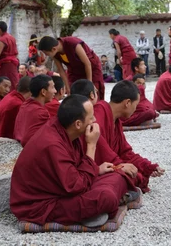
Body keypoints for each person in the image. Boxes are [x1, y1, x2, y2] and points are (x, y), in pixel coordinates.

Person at [10, 94, 131, 227]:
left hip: (65, 188)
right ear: (78, 124)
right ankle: (91, 211)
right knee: (106, 198)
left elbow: (75, 170)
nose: (95, 120)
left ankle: (97, 207)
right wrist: (91, 145)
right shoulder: (52, 144)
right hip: (40, 204)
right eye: (91, 118)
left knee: (116, 176)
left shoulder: (66, 130)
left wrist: (96, 169)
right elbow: (76, 186)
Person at [90, 81, 165, 193]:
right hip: (96, 168)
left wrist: (147, 166)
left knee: (137, 174)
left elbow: (125, 152)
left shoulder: (116, 121)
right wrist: (120, 166)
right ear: (127, 103)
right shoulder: (99, 115)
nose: (136, 109)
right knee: (130, 177)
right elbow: (100, 152)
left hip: (112, 163)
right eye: (136, 104)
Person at [38, 36, 105, 100]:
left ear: (53, 49)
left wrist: (89, 84)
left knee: (93, 92)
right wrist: (67, 87)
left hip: (91, 69)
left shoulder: (73, 44)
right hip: (74, 70)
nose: (46, 56)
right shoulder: (55, 53)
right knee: (73, 91)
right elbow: (61, 70)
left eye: (46, 54)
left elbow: (87, 64)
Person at [13, 75, 56, 147]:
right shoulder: (41, 112)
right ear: (43, 92)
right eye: (52, 87)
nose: (55, 91)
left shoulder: (25, 104)